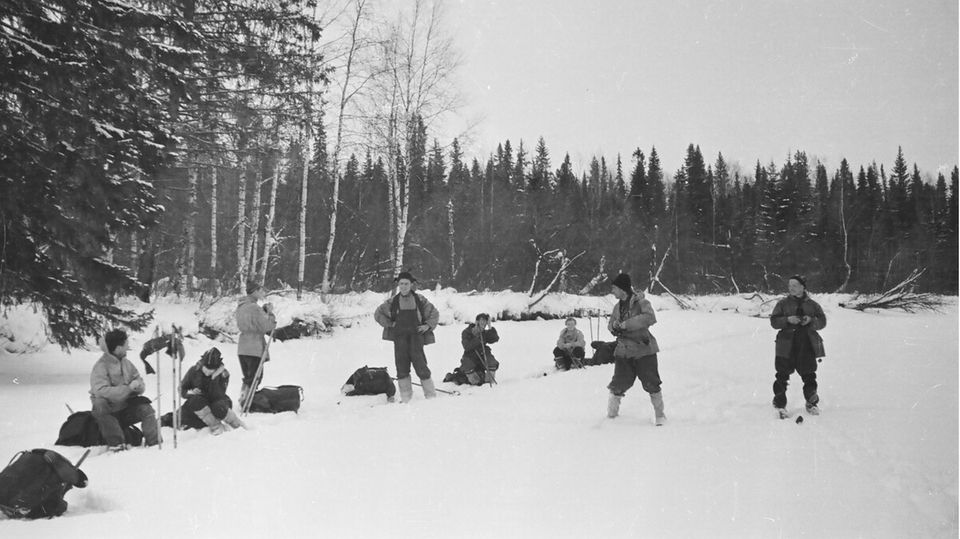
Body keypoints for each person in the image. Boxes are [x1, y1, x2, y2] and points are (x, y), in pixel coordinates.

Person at [605, 273, 666, 425]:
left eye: (614, 288)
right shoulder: (616, 307)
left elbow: (650, 317)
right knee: (618, 384)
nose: (612, 291)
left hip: (643, 350)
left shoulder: (641, 302)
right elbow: (610, 324)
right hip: (623, 351)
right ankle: (611, 416)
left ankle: (660, 416)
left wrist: (627, 324)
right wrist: (614, 326)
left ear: (622, 289)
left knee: (651, 383)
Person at [374, 271, 440, 402]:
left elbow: (434, 313)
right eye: (401, 284)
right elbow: (378, 314)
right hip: (400, 339)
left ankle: (431, 396)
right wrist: (390, 324)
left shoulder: (420, 300)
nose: (403, 286)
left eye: (406, 284)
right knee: (401, 367)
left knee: (421, 365)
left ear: (411, 285)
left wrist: (427, 325)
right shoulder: (393, 302)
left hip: (416, 338)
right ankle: (406, 398)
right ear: (398, 285)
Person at [89, 329, 159, 451]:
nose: (128, 347)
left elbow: (139, 380)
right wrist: (128, 388)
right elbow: (101, 391)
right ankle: (117, 445)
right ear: (118, 347)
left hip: (126, 408)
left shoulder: (127, 363)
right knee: (99, 403)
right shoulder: (100, 366)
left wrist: (138, 386)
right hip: (108, 412)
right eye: (126, 344)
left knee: (146, 408)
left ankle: (154, 443)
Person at [769, 275, 827, 417]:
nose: (791, 288)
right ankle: (780, 404)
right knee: (782, 375)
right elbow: (774, 322)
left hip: (806, 345)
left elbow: (822, 322)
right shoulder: (782, 304)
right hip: (785, 345)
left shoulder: (813, 305)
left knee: (809, 375)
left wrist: (810, 320)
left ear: (803, 287)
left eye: (795, 285)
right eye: (790, 285)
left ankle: (811, 402)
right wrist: (787, 320)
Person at [178, 348, 245, 434]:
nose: (207, 371)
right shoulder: (194, 371)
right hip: (198, 406)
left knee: (218, 407)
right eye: (206, 368)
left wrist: (214, 378)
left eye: (211, 369)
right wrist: (191, 392)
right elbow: (182, 389)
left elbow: (218, 395)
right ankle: (216, 426)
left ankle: (238, 425)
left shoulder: (223, 374)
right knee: (192, 406)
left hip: (217, 402)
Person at [236, 281, 277, 407]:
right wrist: (270, 313)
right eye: (261, 291)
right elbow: (266, 326)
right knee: (255, 377)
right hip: (254, 347)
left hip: (243, 346)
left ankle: (244, 398)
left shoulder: (241, 306)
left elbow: (253, 321)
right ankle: (247, 402)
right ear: (254, 291)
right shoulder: (254, 308)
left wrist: (263, 311)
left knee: (248, 377)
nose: (263, 293)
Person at [459, 313, 500, 385]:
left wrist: (490, 327)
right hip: (470, 355)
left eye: (485, 321)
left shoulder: (485, 332)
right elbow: (467, 347)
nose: (483, 323)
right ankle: (475, 382)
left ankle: (488, 382)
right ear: (477, 321)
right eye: (482, 320)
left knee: (492, 363)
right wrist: (477, 338)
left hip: (483, 353)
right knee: (468, 367)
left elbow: (494, 339)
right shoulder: (467, 332)